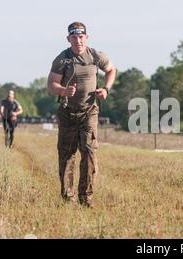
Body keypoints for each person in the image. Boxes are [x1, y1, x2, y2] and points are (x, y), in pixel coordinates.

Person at [47, 21, 116, 208]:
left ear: (87, 37)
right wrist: (63, 91)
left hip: (89, 112)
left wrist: (106, 89)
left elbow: (111, 69)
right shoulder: (63, 59)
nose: (78, 40)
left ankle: (86, 198)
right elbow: (51, 84)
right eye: (74, 37)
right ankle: (67, 198)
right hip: (68, 113)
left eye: (81, 36)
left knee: (89, 153)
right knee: (67, 156)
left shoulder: (95, 56)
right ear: (68, 39)